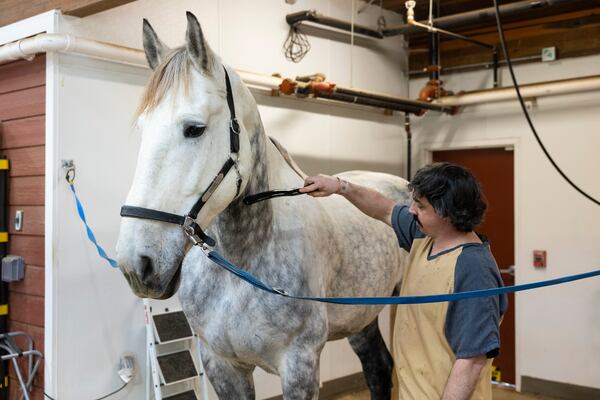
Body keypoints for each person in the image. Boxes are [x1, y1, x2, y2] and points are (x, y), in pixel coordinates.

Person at [300, 162, 507, 400]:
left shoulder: (473, 269)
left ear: (446, 213)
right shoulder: (424, 237)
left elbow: (471, 361)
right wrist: (340, 186)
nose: (411, 210)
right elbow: (384, 209)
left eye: (420, 205)